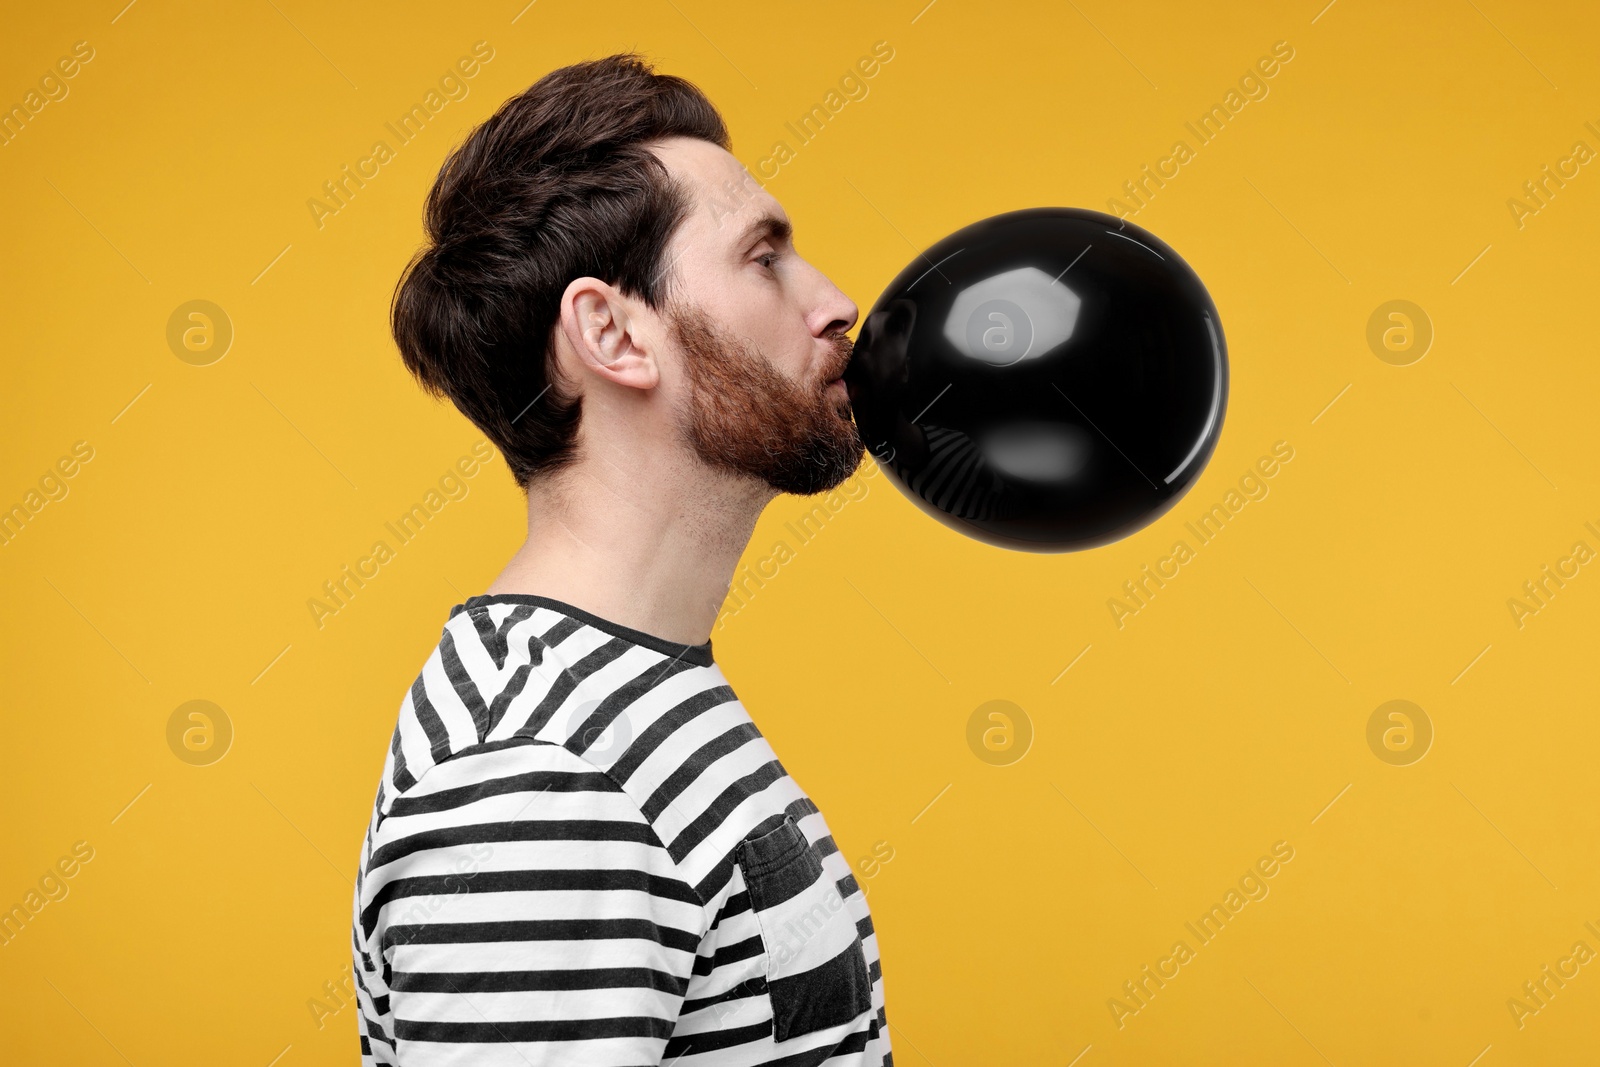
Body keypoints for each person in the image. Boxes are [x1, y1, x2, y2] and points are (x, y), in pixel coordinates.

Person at [350, 53, 891, 1067]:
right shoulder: (541, 779)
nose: (834, 301)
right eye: (763, 257)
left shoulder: (626, 701)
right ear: (611, 332)